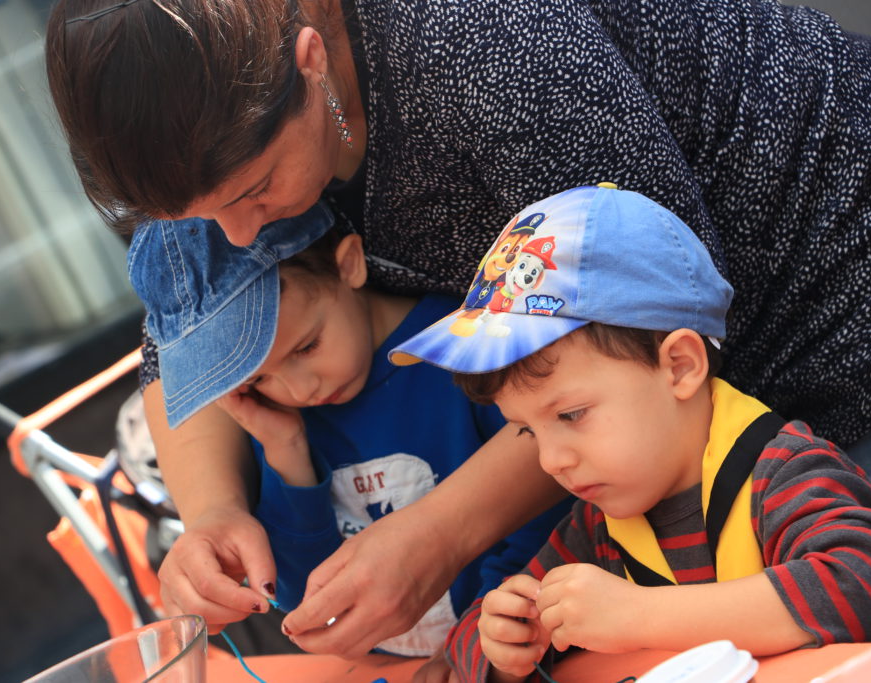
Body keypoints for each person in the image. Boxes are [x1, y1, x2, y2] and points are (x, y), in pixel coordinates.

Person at [45, 0, 871, 656]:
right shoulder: (205, 139)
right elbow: (171, 337)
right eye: (200, 221)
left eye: (251, 196)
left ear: (312, 60)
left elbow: (625, 335)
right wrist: (212, 510)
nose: (240, 237)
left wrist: (442, 533)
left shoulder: (477, 42)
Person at [390, 183, 871, 682]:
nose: (551, 460)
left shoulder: (785, 473)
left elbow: (860, 584)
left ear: (681, 366)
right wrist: (506, 645)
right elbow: (478, 634)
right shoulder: (596, 526)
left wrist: (639, 615)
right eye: (527, 431)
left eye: (570, 415)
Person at [126, 201, 570, 677]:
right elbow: (302, 602)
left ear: (349, 264)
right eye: (256, 380)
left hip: (526, 649)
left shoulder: (461, 346)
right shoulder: (279, 416)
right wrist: (287, 454)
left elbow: (543, 514)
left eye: (307, 347)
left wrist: (472, 641)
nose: (300, 389)